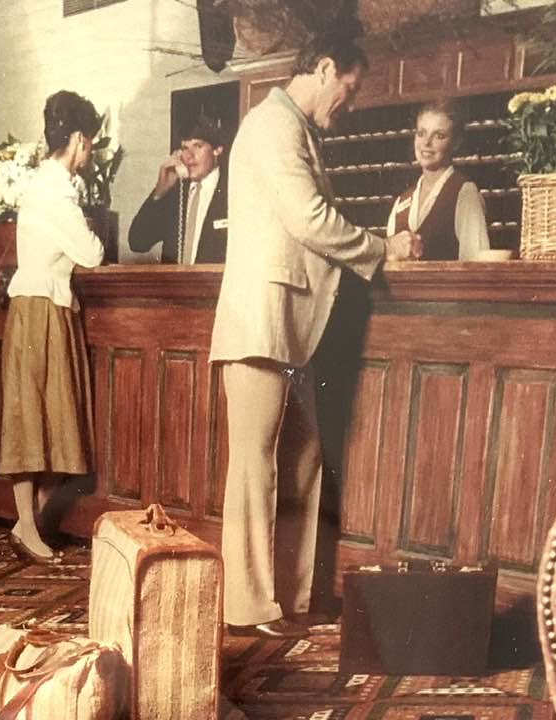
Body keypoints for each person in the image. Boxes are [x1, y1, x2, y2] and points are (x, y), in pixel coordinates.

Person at [209, 34, 422, 639]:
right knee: (255, 467)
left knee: (301, 462)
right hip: (261, 323)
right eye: (348, 89)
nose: (348, 104)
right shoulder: (273, 124)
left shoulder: (295, 127)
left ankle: (294, 598)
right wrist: (384, 247)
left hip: (290, 326)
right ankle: (249, 606)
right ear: (325, 67)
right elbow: (308, 218)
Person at [0, 91, 104, 564]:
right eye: (90, 146)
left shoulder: (40, 183)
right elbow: (93, 252)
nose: (90, 155)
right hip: (41, 310)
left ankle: (31, 522)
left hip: (43, 307)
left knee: (51, 418)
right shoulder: (58, 191)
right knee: (37, 420)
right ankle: (28, 524)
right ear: (79, 139)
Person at [386, 98, 491, 260]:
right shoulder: (401, 202)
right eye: (421, 133)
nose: (426, 143)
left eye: (439, 136)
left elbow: (476, 267)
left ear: (455, 143)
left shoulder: (464, 192)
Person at [127, 116, 228, 263]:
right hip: (175, 285)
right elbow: (137, 242)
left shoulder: (232, 191)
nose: (189, 156)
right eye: (184, 148)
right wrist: (160, 191)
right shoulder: (176, 192)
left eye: (198, 146)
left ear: (217, 149)